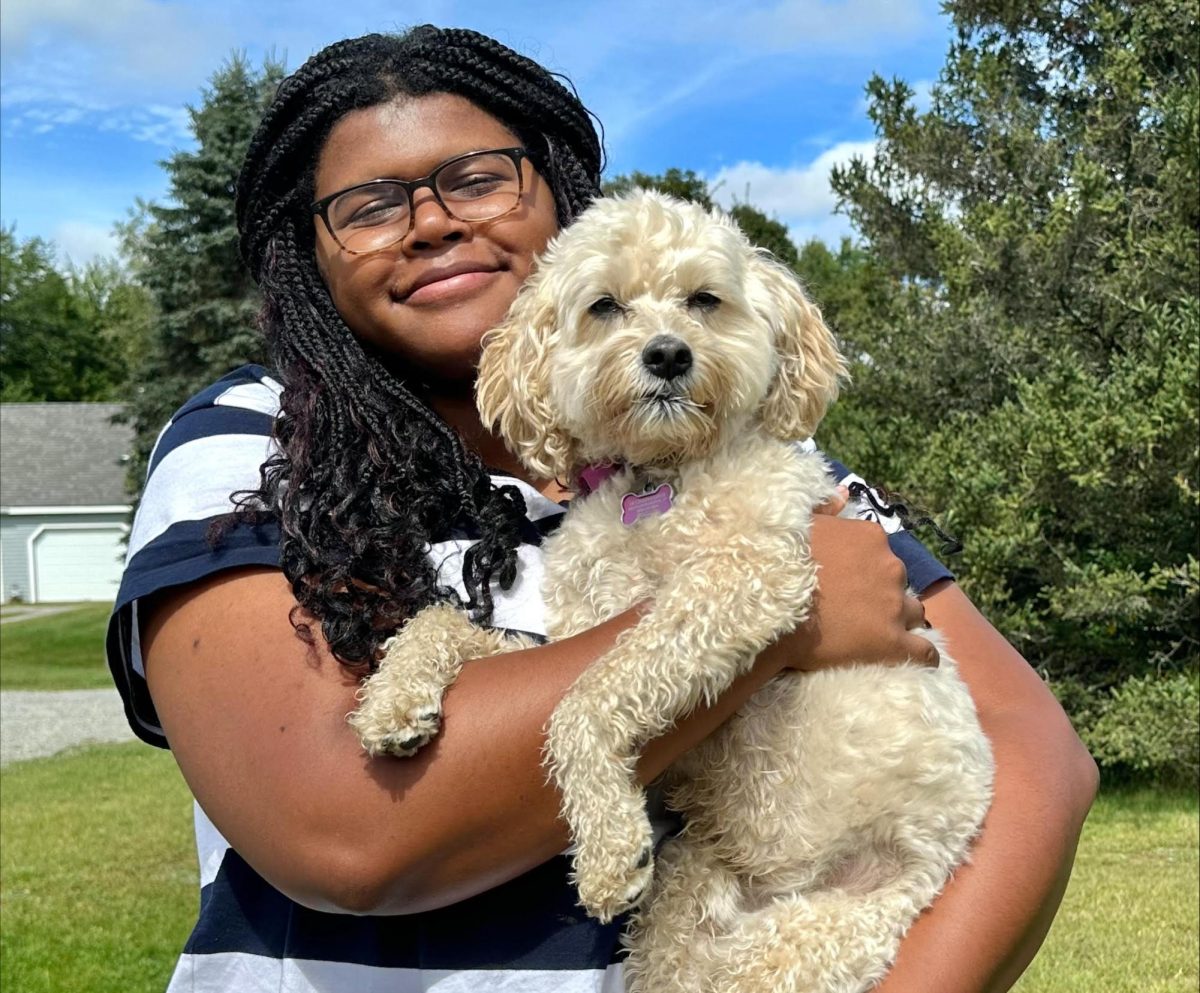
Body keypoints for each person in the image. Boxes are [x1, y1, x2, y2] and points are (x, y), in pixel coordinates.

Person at [105, 25, 1097, 993]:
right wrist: (779, 623)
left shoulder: (750, 448)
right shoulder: (254, 440)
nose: (432, 221)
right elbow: (342, 832)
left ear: (562, 201)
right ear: (309, 257)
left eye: (478, 177)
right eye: (368, 205)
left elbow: (1036, 755)